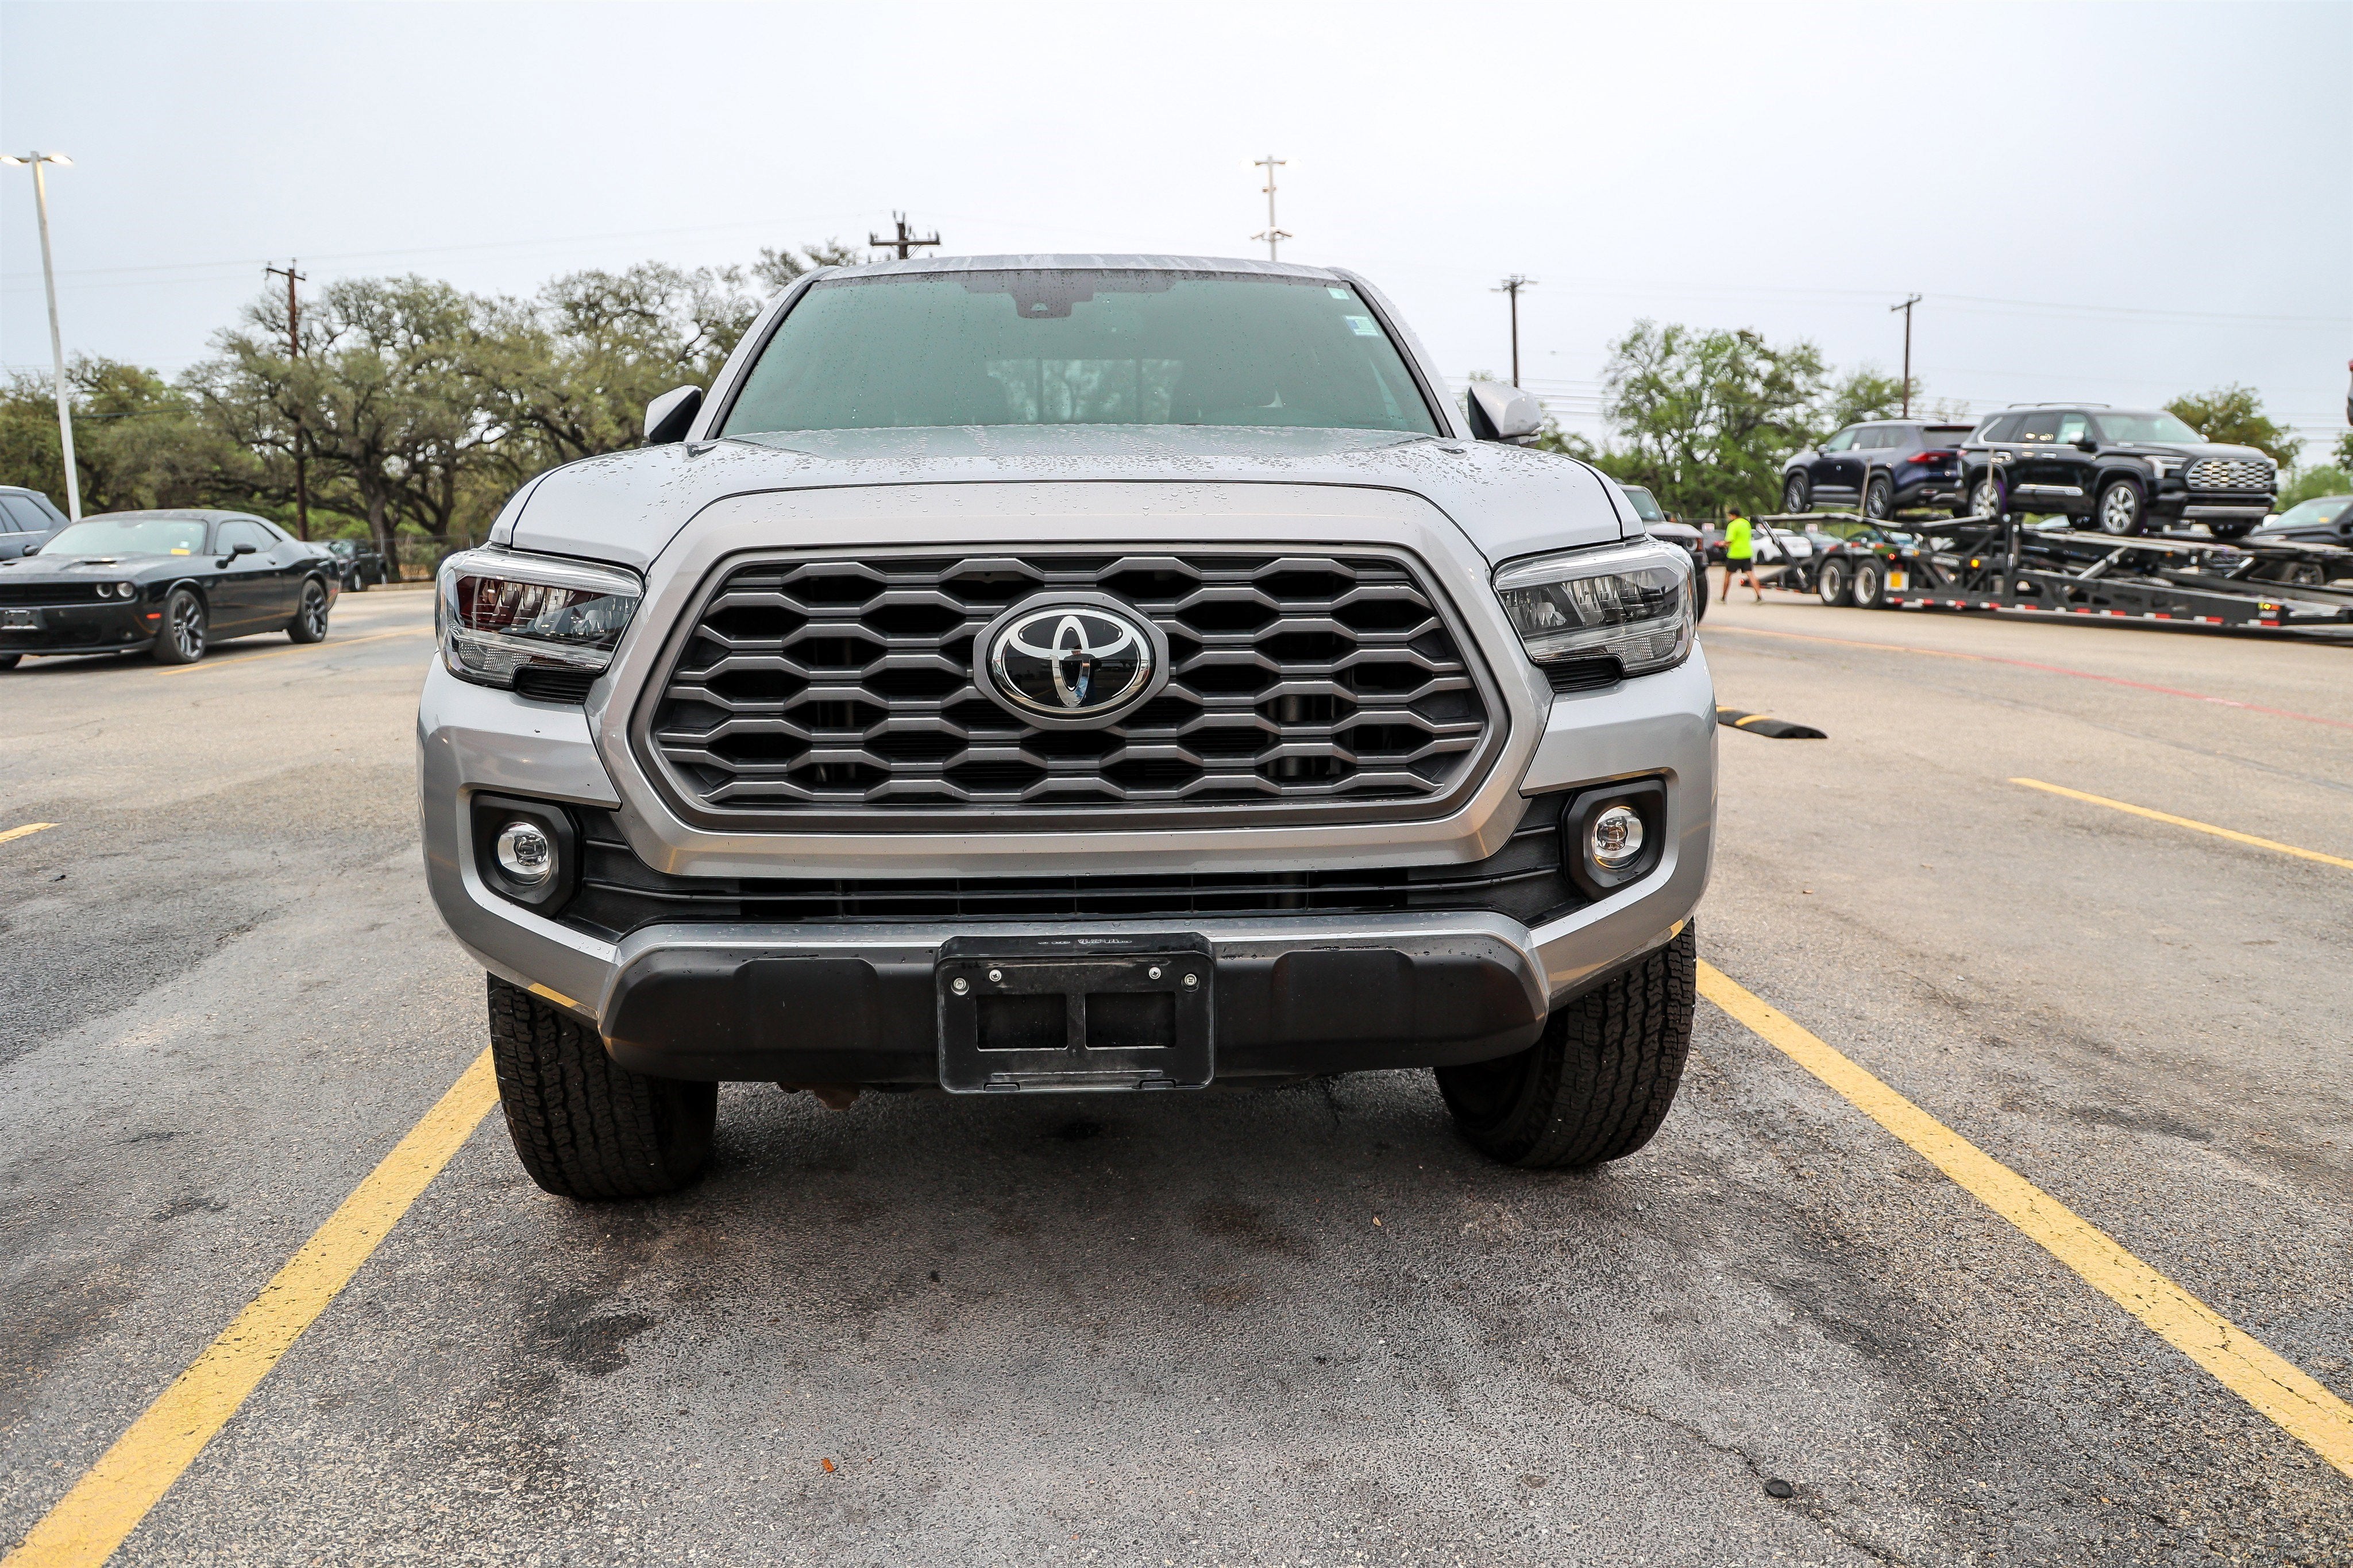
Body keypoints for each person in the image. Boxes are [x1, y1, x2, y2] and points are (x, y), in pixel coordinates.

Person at [1721, 509, 1761, 603]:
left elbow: (1730, 540)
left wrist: (1722, 544)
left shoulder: (1733, 525)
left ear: (1734, 516)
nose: (1730, 518)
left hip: (1735, 554)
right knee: (1751, 575)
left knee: (1728, 575)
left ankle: (1723, 598)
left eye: (1730, 516)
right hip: (1747, 553)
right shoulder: (1746, 523)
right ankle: (1759, 596)